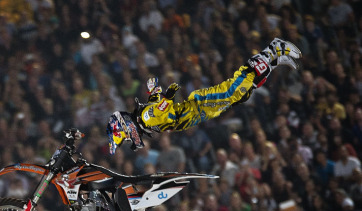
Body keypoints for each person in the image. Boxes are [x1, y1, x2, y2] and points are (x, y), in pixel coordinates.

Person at [106, 38, 302, 154]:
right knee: (241, 95)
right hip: (201, 112)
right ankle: (274, 61)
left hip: (199, 105)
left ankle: (272, 49)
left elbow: (164, 109)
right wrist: (159, 92)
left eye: (124, 136)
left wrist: (165, 97)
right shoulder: (145, 120)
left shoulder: (146, 118)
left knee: (234, 89)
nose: (130, 139)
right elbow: (157, 98)